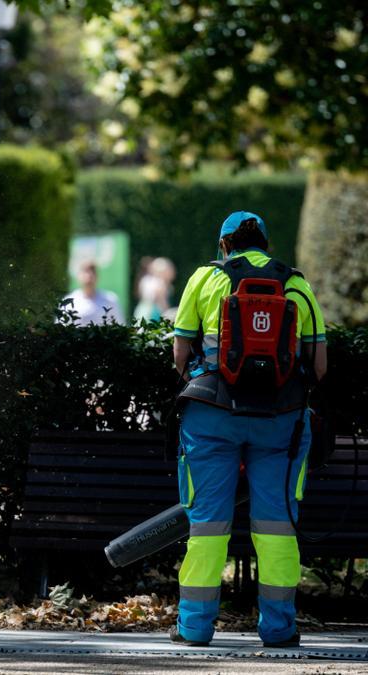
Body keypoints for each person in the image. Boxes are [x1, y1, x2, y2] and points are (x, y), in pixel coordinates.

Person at [169, 211, 327, 648]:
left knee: (207, 524)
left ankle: (194, 628)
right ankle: (278, 629)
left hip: (211, 417)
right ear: (265, 244)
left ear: (224, 245)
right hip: (281, 421)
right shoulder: (296, 283)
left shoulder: (205, 278)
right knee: (276, 527)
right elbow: (318, 366)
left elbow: (180, 354)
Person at [62, 261, 123, 326]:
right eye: (85, 271)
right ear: (78, 276)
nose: (89, 276)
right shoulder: (68, 302)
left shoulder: (110, 300)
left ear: (97, 276)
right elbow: (61, 328)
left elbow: (119, 325)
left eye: (92, 271)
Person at [133, 257, 176, 322]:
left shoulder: (147, 280)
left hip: (141, 310)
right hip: (152, 314)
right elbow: (162, 304)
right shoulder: (160, 284)